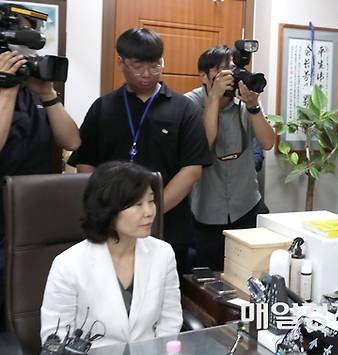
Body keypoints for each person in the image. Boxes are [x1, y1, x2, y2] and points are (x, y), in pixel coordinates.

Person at [68, 28, 212, 275]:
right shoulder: (104, 108)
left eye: (155, 65)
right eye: (137, 66)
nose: (147, 74)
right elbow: (86, 164)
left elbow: (191, 169)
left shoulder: (183, 108)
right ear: (121, 62)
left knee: (165, 294)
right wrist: (112, 212)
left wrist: (150, 212)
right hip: (112, 225)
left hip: (169, 226)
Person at [40, 161, 182, 348]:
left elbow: (170, 321)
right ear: (108, 210)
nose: (149, 212)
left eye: (151, 200)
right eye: (137, 204)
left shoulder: (163, 253)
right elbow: (55, 338)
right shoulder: (68, 264)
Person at [0, 7, 80, 330]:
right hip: (1, 218)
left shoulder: (34, 89)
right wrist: (6, 91)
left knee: (34, 302)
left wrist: (47, 94)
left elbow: (72, 140)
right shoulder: (8, 90)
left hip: (36, 213)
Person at [185, 45, 275, 271]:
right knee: (210, 282)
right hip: (207, 212)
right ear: (204, 77)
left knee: (254, 273)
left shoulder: (243, 102)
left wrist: (253, 105)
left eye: (232, 69)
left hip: (247, 205)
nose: (229, 76)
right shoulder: (190, 104)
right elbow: (203, 146)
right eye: (222, 70)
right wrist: (214, 99)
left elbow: (268, 142)